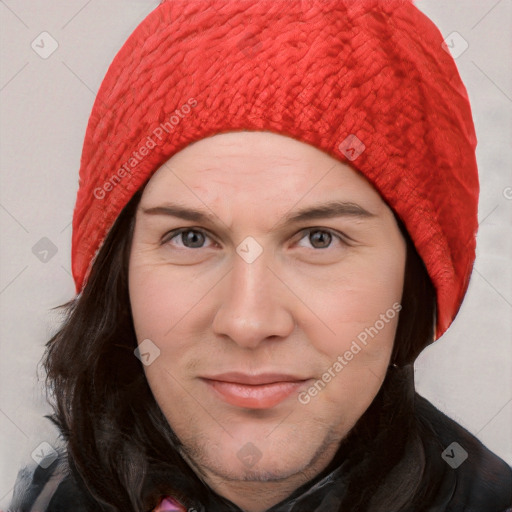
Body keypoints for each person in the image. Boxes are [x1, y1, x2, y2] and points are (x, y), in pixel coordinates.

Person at [9, 0, 512, 511]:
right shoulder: (45, 497)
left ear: (416, 278)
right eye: (192, 238)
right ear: (119, 271)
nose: (248, 322)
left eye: (319, 238)